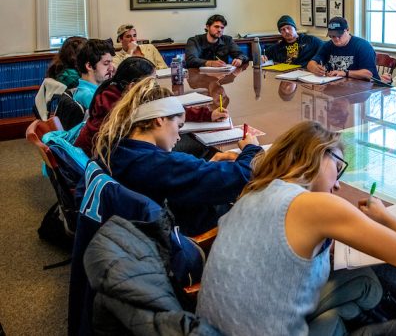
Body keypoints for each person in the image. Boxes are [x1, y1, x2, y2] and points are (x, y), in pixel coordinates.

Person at [197, 121, 396, 335]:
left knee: (356, 287)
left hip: (208, 327)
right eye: (339, 167)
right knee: (364, 283)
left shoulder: (253, 191)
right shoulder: (317, 206)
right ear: (319, 153)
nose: (338, 185)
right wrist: (384, 216)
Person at [92, 77, 262, 236]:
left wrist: (204, 166)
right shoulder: (160, 164)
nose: (179, 136)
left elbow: (171, 180)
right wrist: (251, 148)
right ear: (159, 119)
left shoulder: (114, 148)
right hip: (187, 236)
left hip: (139, 232)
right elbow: (242, 176)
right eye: (178, 126)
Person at [75, 57, 229, 157]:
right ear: (133, 86)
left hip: (109, 163)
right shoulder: (114, 109)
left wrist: (208, 115)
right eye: (151, 82)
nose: (154, 86)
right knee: (194, 147)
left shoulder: (122, 93)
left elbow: (167, 108)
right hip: (106, 165)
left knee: (188, 142)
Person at [307, 17, 378, 80]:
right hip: (335, 86)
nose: (336, 39)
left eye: (339, 35)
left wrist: (345, 73)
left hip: (361, 89)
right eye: (333, 36)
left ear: (347, 30)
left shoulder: (363, 46)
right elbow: (310, 64)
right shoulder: (328, 45)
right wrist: (315, 68)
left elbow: (369, 74)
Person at [74, 39, 116, 109]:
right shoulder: (88, 95)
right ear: (89, 66)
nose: (111, 68)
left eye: (111, 63)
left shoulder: (97, 89)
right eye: (106, 63)